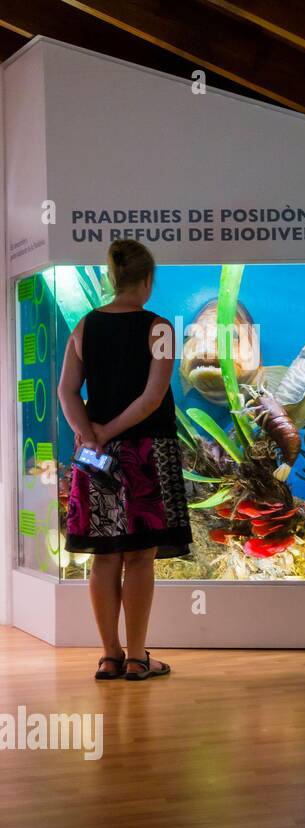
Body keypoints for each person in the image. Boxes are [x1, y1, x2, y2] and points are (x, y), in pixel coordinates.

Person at [58, 241, 192, 681]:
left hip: (94, 458)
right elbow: (152, 398)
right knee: (139, 556)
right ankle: (137, 658)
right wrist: (109, 433)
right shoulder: (160, 330)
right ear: (148, 281)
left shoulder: (83, 327)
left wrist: (90, 434)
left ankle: (109, 656)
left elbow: (66, 392)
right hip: (147, 452)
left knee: (104, 557)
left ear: (113, 279)